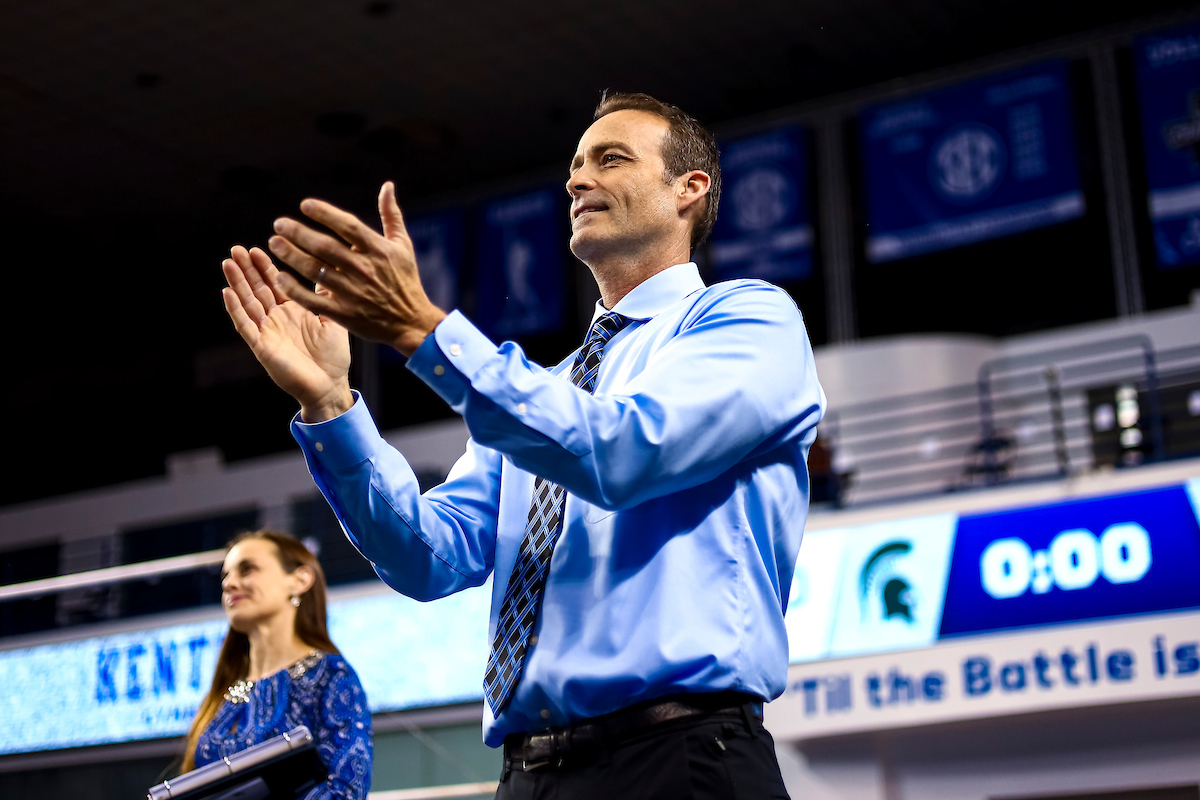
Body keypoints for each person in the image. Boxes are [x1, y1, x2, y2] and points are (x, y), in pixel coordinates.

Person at [221, 92, 824, 799]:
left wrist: (423, 330)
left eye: (610, 158)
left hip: (681, 759)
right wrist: (329, 404)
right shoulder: (541, 393)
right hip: (529, 774)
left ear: (689, 190)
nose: (576, 179)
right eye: (573, 165)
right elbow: (426, 557)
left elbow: (624, 452)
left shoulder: (749, 319)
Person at [180, 530, 372, 799]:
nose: (229, 583)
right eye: (225, 576)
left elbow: (345, 791)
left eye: (247, 570)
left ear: (300, 580)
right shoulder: (220, 695)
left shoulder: (331, 675)